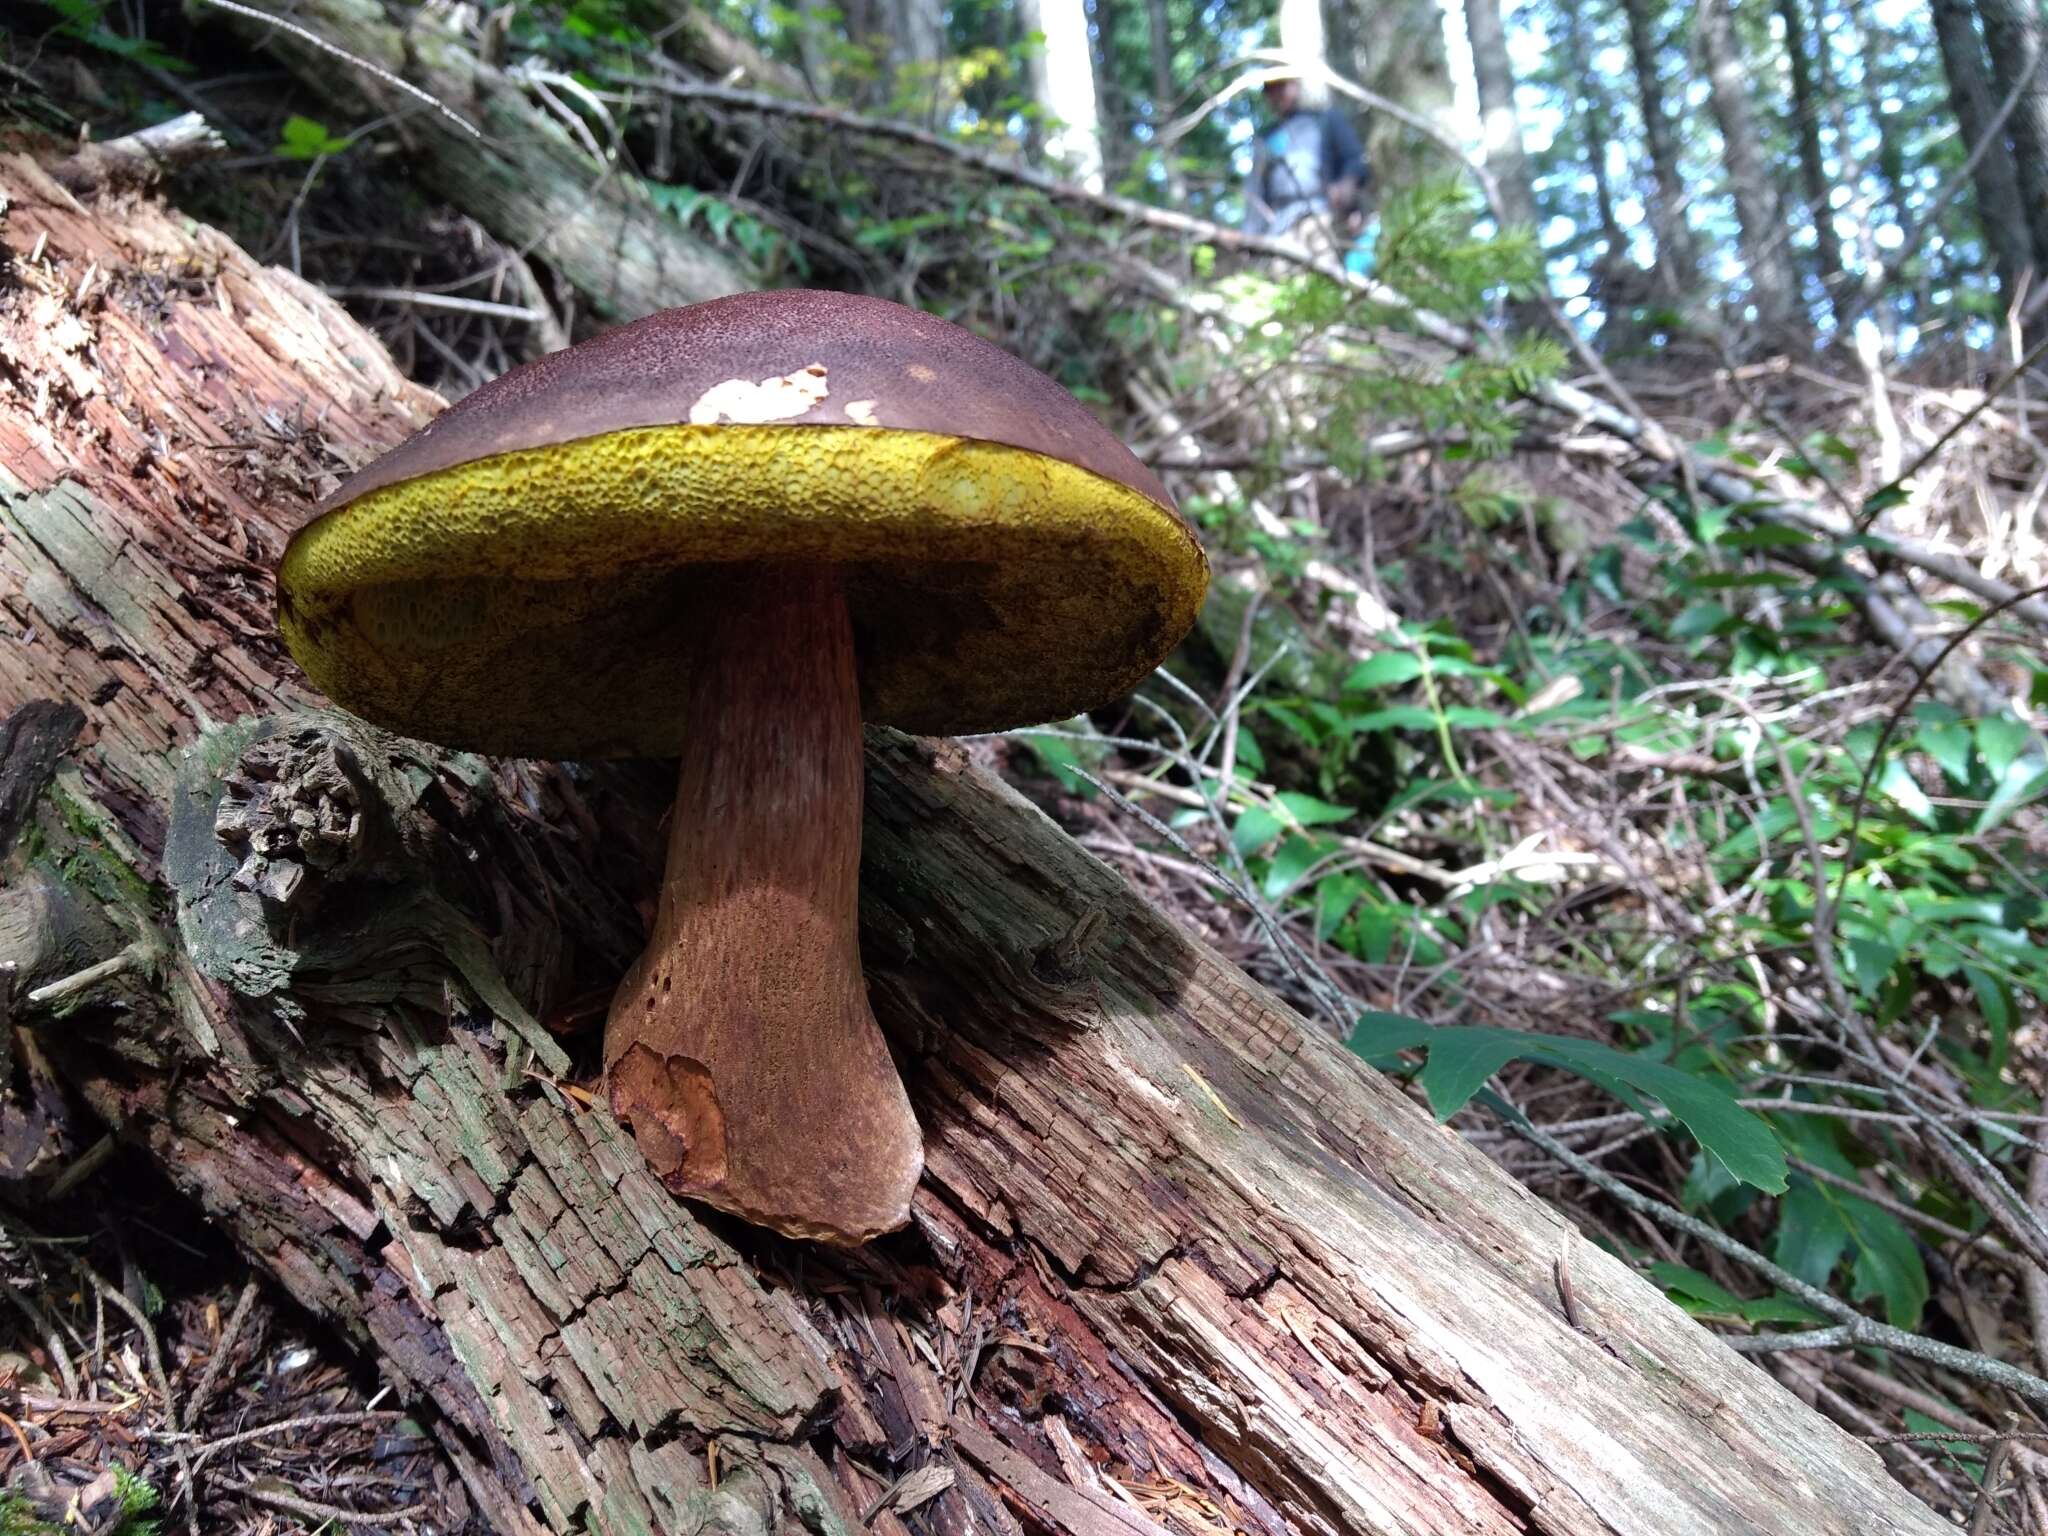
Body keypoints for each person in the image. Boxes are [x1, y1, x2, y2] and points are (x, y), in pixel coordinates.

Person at [1243, 72, 1369, 253]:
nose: (1278, 95)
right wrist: (1250, 236)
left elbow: (1355, 160)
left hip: (1325, 215)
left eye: (1282, 86)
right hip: (1281, 227)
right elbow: (1255, 191)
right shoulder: (1265, 140)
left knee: (1325, 265)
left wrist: (1346, 186)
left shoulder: (1326, 120)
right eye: (1271, 90)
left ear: (1295, 84)